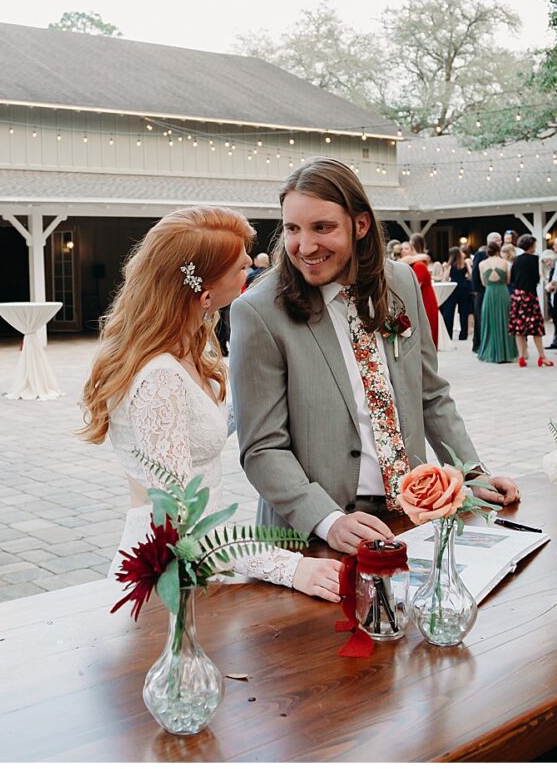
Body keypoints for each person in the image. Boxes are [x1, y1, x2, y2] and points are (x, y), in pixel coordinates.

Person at [231, 159, 519, 551]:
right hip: (316, 535)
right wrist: (328, 521)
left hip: (413, 516)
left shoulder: (399, 282)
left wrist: (473, 474)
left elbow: (431, 395)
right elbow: (262, 448)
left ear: (361, 224)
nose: (305, 246)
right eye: (293, 229)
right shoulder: (259, 312)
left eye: (323, 227)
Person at [80, 205, 341, 601]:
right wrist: (291, 566)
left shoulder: (186, 349)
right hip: (171, 571)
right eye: (241, 267)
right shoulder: (159, 379)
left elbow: (208, 423)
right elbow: (185, 520)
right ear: (204, 291)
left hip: (207, 562)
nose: (251, 270)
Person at [508, 235, 550, 368]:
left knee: (519, 328)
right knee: (536, 328)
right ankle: (541, 356)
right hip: (530, 296)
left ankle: (521, 356)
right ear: (531, 245)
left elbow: (512, 278)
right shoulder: (535, 259)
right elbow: (536, 278)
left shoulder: (516, 260)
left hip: (517, 295)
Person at [475, 243, 517, 364]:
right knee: (505, 321)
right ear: (498, 251)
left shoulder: (481, 264)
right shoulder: (504, 263)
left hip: (490, 293)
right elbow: (508, 280)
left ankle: (491, 350)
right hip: (502, 292)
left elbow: (483, 283)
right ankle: (506, 352)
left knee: (490, 321)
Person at [404, 232, 439, 347]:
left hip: (425, 299)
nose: (404, 251)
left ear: (413, 246)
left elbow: (415, 286)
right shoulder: (418, 261)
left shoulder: (419, 265)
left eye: (407, 248)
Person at [440, 246, 476, 343]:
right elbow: (471, 274)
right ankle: (463, 335)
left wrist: (445, 269)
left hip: (453, 287)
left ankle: (449, 334)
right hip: (464, 287)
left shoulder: (450, 265)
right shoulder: (464, 263)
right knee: (464, 311)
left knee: (449, 311)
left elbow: (445, 278)